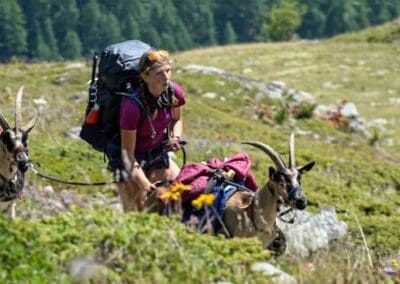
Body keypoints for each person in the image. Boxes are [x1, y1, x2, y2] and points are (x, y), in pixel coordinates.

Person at [105, 48, 185, 212]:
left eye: (168, 71)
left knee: (175, 202)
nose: (166, 78)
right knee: (139, 213)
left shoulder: (173, 92)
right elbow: (128, 155)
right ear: (145, 76)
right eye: (159, 73)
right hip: (129, 160)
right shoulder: (131, 107)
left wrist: (175, 137)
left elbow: (177, 119)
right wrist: (147, 186)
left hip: (156, 153)